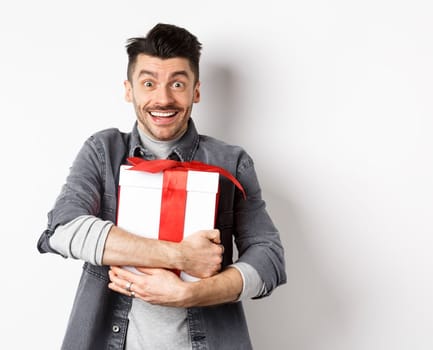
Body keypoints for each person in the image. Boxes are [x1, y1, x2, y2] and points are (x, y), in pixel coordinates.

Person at [37, 23, 286, 350]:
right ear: (129, 90)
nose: (163, 98)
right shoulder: (104, 151)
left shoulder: (232, 162)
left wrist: (190, 293)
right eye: (149, 83)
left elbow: (269, 259)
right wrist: (181, 256)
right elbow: (62, 230)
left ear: (196, 90)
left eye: (178, 83)